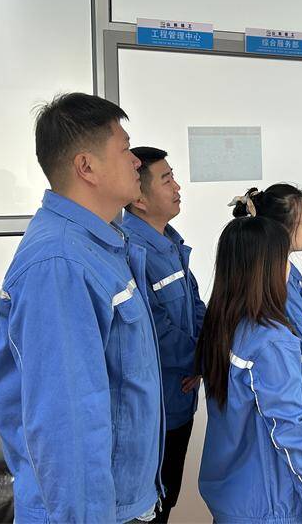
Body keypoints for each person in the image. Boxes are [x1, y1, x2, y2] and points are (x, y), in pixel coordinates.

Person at [0, 93, 164, 524]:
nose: (136, 162)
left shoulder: (99, 245)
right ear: (86, 167)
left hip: (121, 503)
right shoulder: (60, 263)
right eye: (124, 149)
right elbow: (66, 426)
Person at [196, 216, 302, 524]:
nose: (288, 267)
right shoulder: (271, 342)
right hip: (270, 508)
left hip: (234, 501)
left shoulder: (223, 325)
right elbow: (292, 433)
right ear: (267, 267)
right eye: (284, 258)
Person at [122, 146, 205, 523]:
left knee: (167, 500)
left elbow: (196, 305)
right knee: (150, 509)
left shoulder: (170, 241)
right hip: (154, 412)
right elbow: (154, 330)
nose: (177, 187)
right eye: (167, 179)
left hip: (181, 399)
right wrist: (199, 359)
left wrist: (202, 358)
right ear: (139, 199)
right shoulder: (131, 250)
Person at [231, 185, 302, 457]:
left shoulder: (288, 277)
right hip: (295, 428)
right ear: (283, 229)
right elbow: (297, 368)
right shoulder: (274, 290)